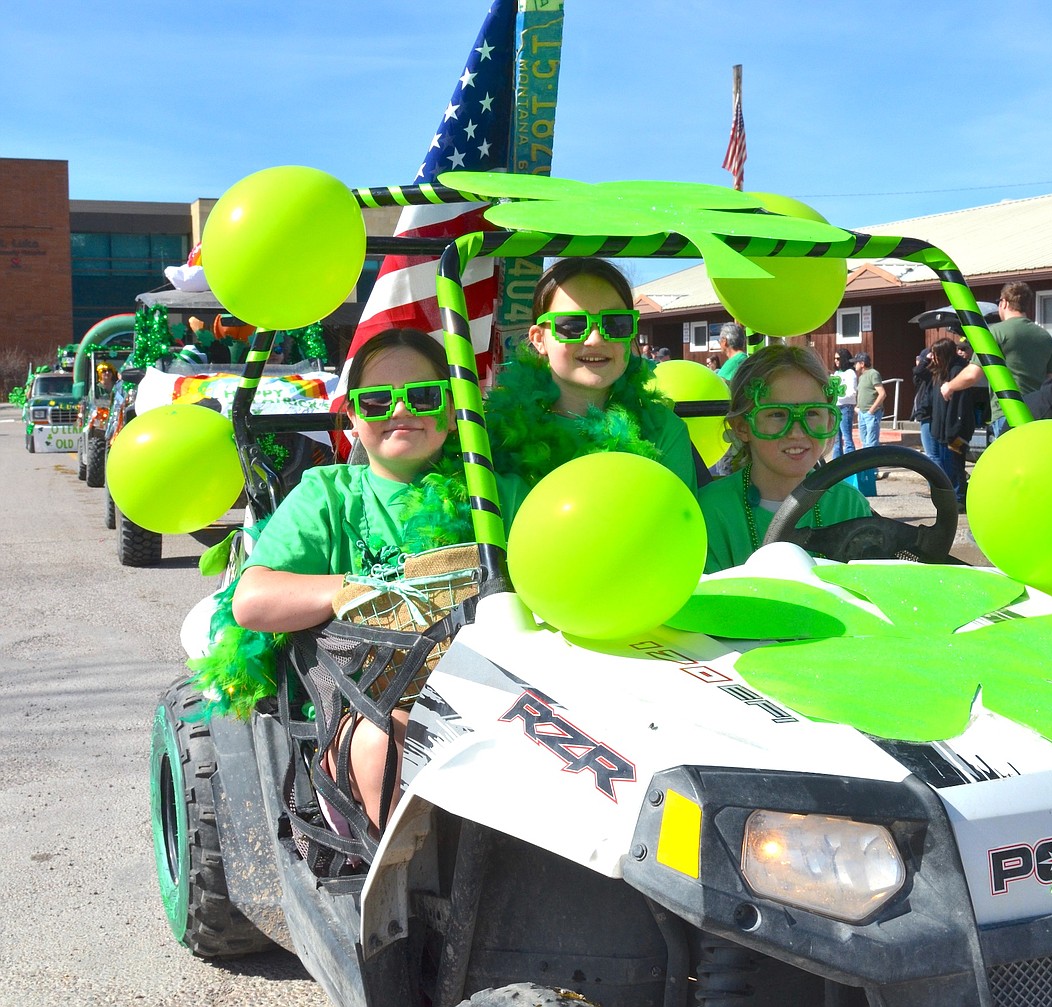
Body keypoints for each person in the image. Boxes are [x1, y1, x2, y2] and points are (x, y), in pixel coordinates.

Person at [231, 327, 524, 832]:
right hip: (366, 698)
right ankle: (399, 893)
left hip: (498, 687)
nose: (400, 411)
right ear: (352, 418)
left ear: (452, 414)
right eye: (377, 400)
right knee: (387, 738)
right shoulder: (329, 493)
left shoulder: (494, 491)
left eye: (424, 396)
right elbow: (252, 601)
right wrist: (361, 587)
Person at [485, 257, 699, 496]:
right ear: (538, 339)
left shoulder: (663, 430)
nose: (596, 339)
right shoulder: (492, 433)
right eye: (572, 326)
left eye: (616, 324)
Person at [699, 345, 871, 573]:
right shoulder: (711, 510)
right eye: (777, 414)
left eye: (812, 413)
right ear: (742, 427)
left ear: (829, 421)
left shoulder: (849, 505)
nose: (797, 433)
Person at [941, 282, 1052, 437]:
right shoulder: (1045, 336)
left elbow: (972, 374)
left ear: (1004, 303)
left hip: (1007, 412)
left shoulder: (994, 332)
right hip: (1037, 412)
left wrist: (949, 386)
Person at [927, 338, 975, 506]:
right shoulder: (941, 372)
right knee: (947, 467)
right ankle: (953, 498)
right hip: (941, 429)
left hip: (955, 431)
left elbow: (960, 406)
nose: (932, 357)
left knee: (954, 465)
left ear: (944, 354)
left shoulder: (957, 371)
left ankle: (959, 499)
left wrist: (953, 432)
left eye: (935, 354)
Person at [911, 346, 941, 469]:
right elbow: (917, 373)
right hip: (925, 415)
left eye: (920, 359)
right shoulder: (922, 378)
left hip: (930, 415)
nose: (918, 362)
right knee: (933, 454)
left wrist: (926, 360)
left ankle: (938, 485)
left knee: (932, 455)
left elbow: (919, 370)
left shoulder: (932, 373)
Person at [853, 352, 886, 448]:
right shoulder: (861, 376)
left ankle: (873, 463)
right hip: (862, 413)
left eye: (856, 363)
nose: (854, 365)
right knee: (864, 443)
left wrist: (871, 410)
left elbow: (882, 394)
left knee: (871, 443)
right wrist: (857, 408)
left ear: (862, 364)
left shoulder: (873, 374)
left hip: (871, 414)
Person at [830, 348, 857, 459]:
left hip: (845, 407)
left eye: (838, 358)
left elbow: (852, 392)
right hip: (835, 407)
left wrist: (838, 397)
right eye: (835, 358)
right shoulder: (836, 373)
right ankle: (836, 467)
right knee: (836, 440)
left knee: (847, 438)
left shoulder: (851, 373)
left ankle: (851, 465)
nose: (836, 361)